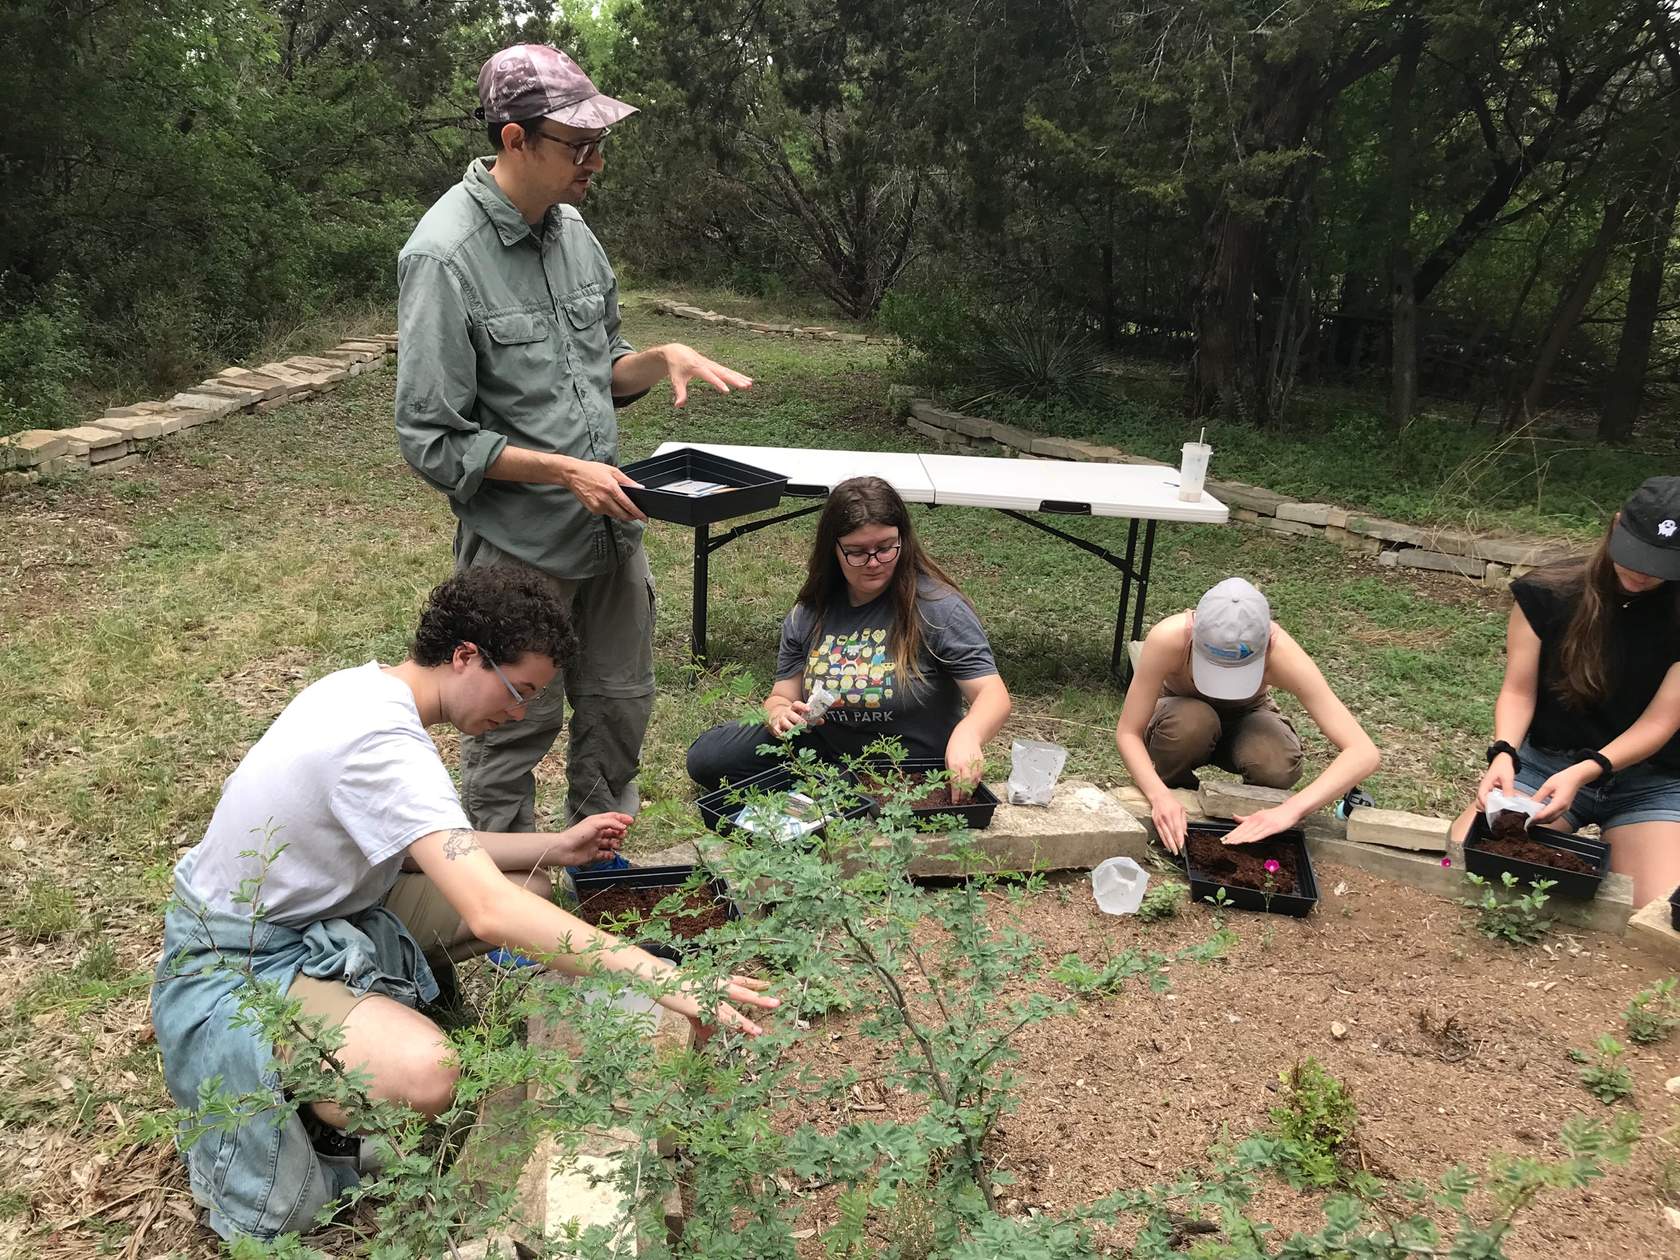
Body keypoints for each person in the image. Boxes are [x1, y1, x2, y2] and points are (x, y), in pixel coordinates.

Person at [150, 567, 775, 1241]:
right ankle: (314, 1106)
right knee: (430, 1071)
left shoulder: (367, 689)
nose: (519, 713)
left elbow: (435, 844)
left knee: (531, 885)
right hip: (241, 957)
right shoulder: (383, 745)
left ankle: (356, 1021)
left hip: (322, 910)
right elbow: (487, 912)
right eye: (521, 691)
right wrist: (663, 976)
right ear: (466, 656)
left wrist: (555, 845)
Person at [394, 43, 753, 835]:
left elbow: (601, 369)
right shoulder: (443, 256)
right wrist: (560, 471)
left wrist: (656, 361)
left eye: (601, 145)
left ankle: (599, 862)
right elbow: (430, 439)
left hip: (610, 530)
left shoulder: (576, 233)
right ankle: (508, 897)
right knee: (511, 722)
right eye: (578, 146)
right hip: (520, 548)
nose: (595, 162)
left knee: (620, 703)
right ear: (514, 138)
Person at [686, 476, 1011, 797]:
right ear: (833, 550)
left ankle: (829, 792)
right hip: (825, 751)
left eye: (885, 548)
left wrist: (968, 733)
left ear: (903, 539)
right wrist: (778, 712)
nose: (873, 562)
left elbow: (992, 695)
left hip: (904, 763)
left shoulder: (938, 608)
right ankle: (832, 789)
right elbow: (782, 694)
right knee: (708, 757)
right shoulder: (810, 612)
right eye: (856, 552)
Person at [1455, 476, 1680, 905]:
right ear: (1615, 527)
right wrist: (1504, 751)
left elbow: (1662, 721)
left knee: (1658, 909)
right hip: (1547, 764)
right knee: (1470, 855)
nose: (1644, 572)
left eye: (1663, 565)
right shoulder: (1547, 593)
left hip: (1651, 779)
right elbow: (1519, 692)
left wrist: (1587, 771)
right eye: (1637, 555)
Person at [1116, 576, 1380, 851]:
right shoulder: (1169, 638)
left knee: (1276, 761)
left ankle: (1253, 813)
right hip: (1182, 713)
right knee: (1192, 721)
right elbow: (1128, 732)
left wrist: (1291, 810)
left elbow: (1364, 752)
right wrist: (1159, 797)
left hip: (1248, 715)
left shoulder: (1282, 654)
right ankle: (1177, 795)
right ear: (1194, 630)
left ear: (1266, 641)